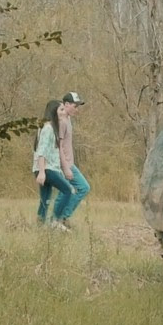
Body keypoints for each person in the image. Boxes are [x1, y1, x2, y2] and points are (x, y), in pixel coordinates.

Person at [32, 99, 74, 231]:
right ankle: (55, 220)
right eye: (61, 109)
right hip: (47, 169)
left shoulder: (49, 127)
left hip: (47, 168)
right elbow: (42, 151)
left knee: (45, 199)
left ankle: (40, 226)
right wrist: (42, 172)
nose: (63, 112)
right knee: (68, 190)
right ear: (53, 111)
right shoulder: (48, 128)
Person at [56, 91, 91, 228]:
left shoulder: (68, 119)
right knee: (81, 187)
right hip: (64, 164)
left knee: (67, 191)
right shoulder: (62, 122)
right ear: (66, 104)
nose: (77, 109)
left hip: (69, 163)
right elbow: (58, 146)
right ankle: (59, 219)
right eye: (75, 106)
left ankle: (59, 219)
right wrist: (65, 167)